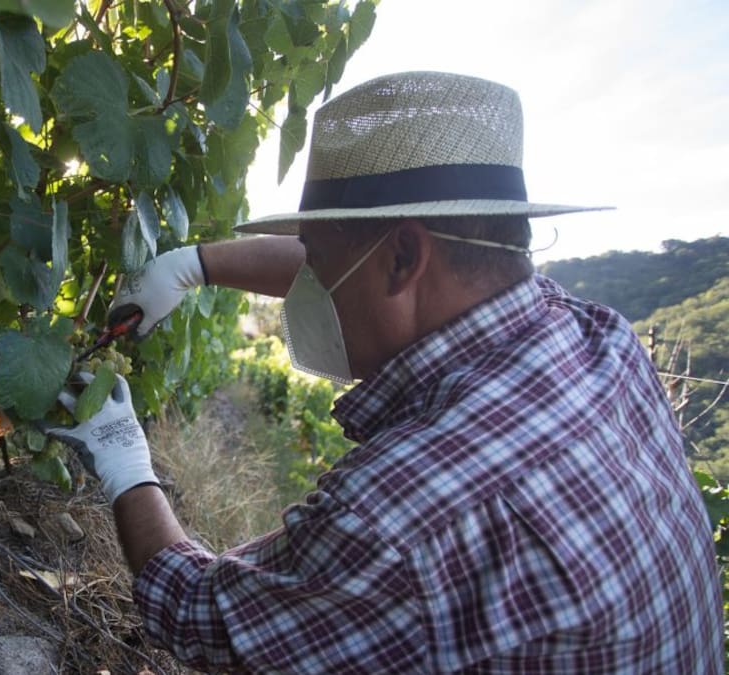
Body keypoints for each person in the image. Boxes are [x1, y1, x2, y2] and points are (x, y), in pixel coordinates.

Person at [47, 71, 723, 672]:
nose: (311, 283)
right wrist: (193, 264)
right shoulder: (599, 338)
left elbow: (199, 611)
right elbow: (354, 263)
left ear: (403, 257)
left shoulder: (406, 512)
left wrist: (125, 462)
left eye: (316, 261)